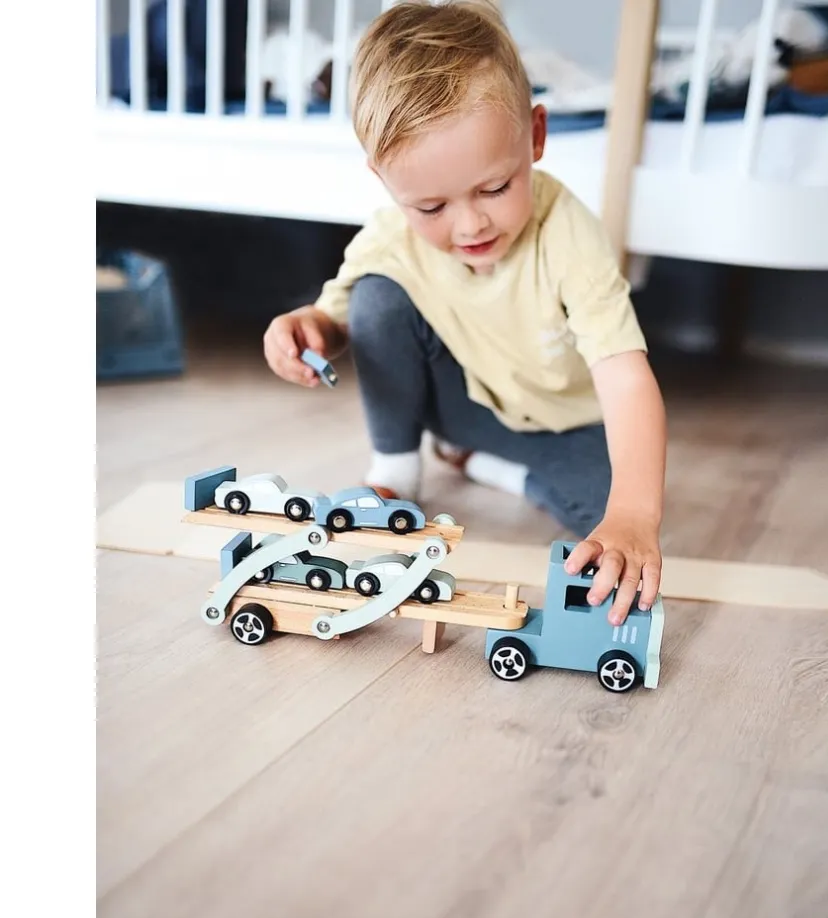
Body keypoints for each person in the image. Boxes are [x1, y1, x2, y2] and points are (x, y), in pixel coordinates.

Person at [262, 0, 666, 626]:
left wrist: (634, 514)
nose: (471, 224)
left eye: (495, 188)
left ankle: (486, 465)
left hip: (564, 423)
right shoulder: (389, 239)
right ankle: (397, 471)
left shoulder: (569, 235)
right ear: (385, 180)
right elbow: (338, 323)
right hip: (468, 401)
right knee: (376, 296)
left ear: (535, 136)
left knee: (603, 506)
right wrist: (305, 329)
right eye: (431, 207)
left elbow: (624, 375)